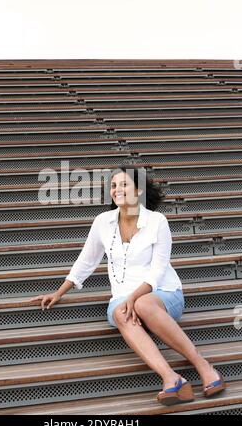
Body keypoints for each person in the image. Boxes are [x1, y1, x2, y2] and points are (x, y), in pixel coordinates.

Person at [29, 165, 226, 406]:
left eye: (124, 185)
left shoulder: (157, 221)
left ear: (139, 190)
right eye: (113, 185)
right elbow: (86, 260)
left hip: (162, 293)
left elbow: (158, 271)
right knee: (121, 311)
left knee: (141, 303)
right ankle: (172, 379)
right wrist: (60, 292)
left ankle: (203, 366)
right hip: (123, 297)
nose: (117, 189)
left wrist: (134, 297)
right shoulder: (103, 222)